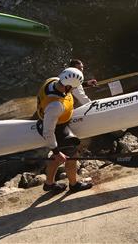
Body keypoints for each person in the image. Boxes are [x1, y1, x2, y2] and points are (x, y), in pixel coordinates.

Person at [37, 66, 94, 194]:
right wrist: (56, 151)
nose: (74, 90)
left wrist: (85, 84)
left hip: (48, 119)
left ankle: (49, 184)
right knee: (72, 157)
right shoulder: (55, 106)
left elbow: (69, 85)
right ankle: (74, 185)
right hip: (58, 129)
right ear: (68, 87)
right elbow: (48, 131)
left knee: (56, 159)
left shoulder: (53, 80)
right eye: (74, 87)